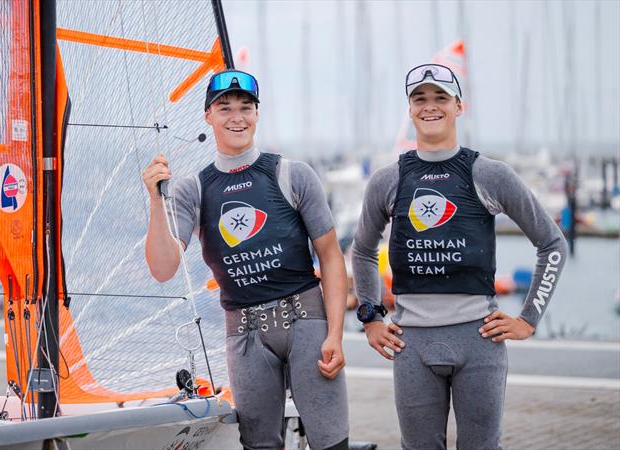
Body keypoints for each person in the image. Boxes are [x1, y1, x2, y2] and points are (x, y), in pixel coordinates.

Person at [352, 63, 567, 450]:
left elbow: (552, 244)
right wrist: (370, 318)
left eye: (440, 98)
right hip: (411, 345)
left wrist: (528, 320)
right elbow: (363, 250)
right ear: (410, 109)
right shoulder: (388, 180)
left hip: (478, 342)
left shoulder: (489, 174)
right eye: (420, 99)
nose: (429, 107)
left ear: (458, 107)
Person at [142, 70, 350, 450]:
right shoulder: (195, 189)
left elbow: (332, 259)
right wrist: (157, 201)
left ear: (257, 114)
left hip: (308, 324)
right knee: (259, 445)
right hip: (244, 335)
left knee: (331, 441)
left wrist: (335, 333)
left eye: (245, 107)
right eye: (225, 108)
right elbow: (163, 268)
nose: (236, 116)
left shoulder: (292, 174)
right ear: (208, 115)